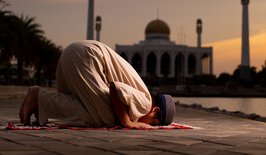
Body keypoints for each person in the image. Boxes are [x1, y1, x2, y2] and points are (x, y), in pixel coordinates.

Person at [19, 40, 175, 129]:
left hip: (72, 54)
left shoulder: (140, 90)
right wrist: (129, 123)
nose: (149, 126)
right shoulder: (146, 102)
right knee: (106, 118)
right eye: (153, 123)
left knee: (86, 110)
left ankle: (42, 102)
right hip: (87, 58)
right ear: (155, 110)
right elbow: (115, 88)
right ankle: (37, 95)